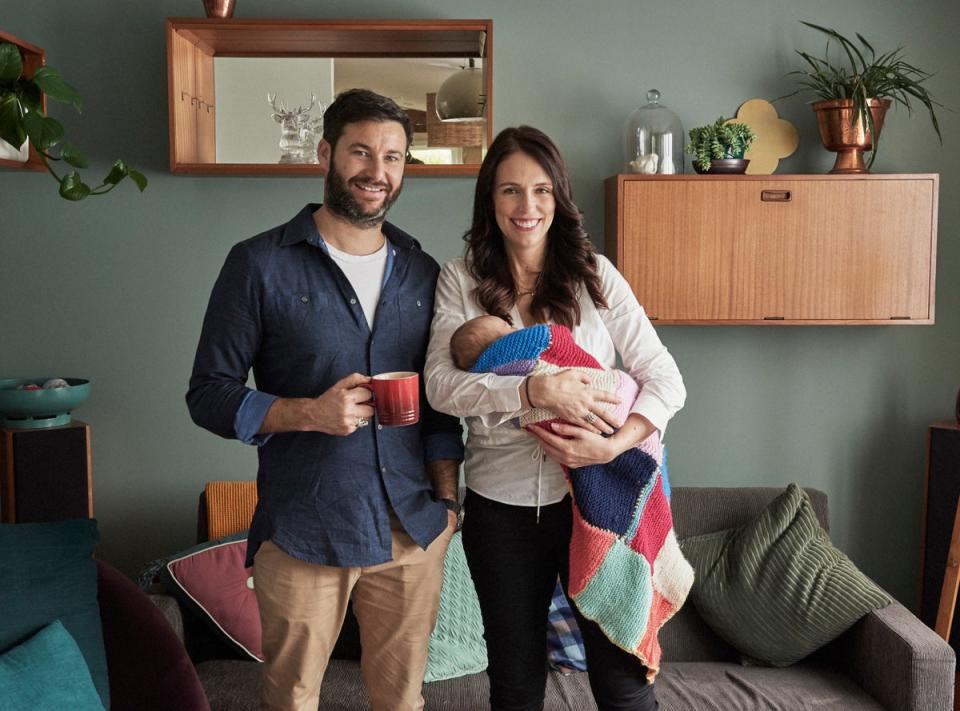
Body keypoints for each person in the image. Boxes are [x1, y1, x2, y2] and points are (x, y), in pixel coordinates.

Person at [186, 88, 463, 711]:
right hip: (305, 529)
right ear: (325, 154)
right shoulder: (258, 264)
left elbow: (441, 405)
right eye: (361, 152)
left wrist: (447, 504)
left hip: (412, 529)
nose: (378, 171)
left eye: (393, 157)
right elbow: (207, 393)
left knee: (402, 701)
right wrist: (305, 412)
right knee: (292, 701)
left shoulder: (423, 273)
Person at [424, 125, 687, 711]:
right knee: (515, 685)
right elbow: (441, 388)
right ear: (489, 199)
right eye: (511, 191)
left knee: (622, 683)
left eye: (542, 190)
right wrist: (533, 388)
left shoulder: (596, 275)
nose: (527, 207)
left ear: (559, 197)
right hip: (501, 513)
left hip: (594, 504)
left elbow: (667, 381)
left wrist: (613, 446)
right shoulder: (459, 279)